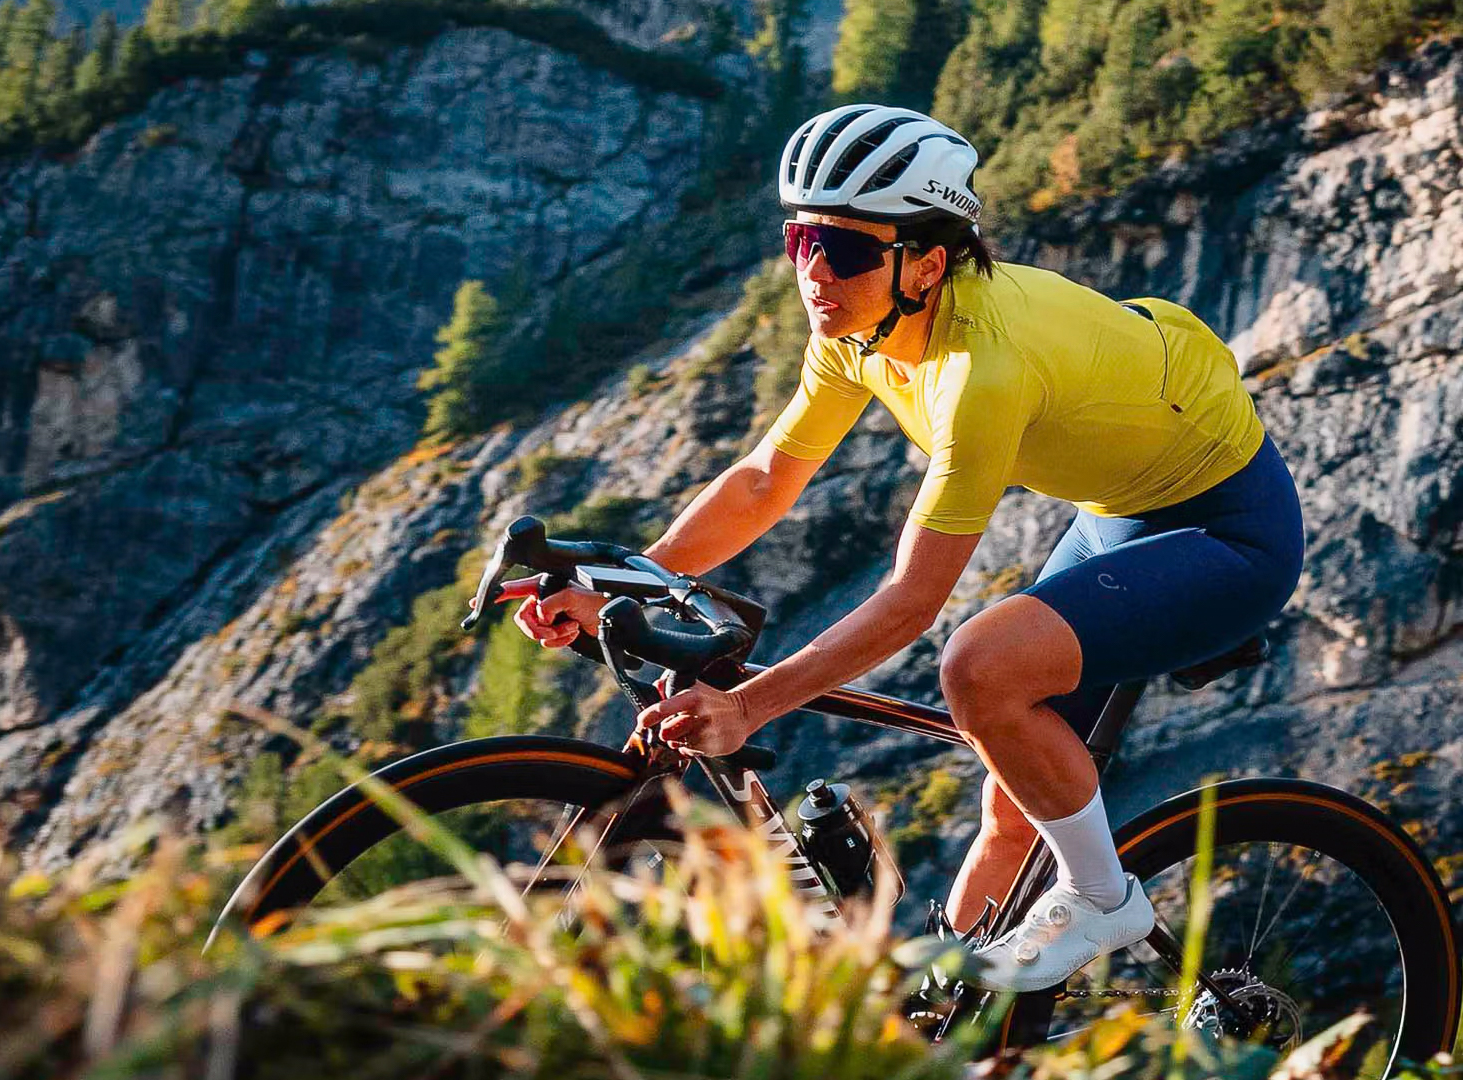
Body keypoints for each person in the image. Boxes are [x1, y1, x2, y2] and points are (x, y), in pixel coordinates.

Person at [504, 103, 1305, 992]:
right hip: (1118, 510)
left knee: (979, 670)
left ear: (927, 262)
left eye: (843, 250)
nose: (813, 272)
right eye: (800, 240)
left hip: (1228, 531)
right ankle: (940, 1027)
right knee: (1015, 803)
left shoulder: (981, 371)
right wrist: (630, 580)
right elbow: (766, 481)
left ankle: (1102, 896)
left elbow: (912, 602)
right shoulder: (857, 331)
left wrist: (751, 706)